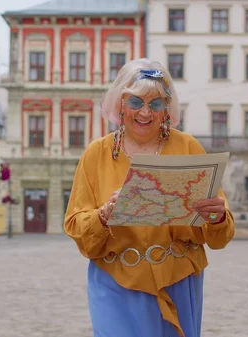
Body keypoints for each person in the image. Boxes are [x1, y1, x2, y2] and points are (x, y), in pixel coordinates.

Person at [63, 58, 235, 337]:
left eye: (155, 104)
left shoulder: (187, 146)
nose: (145, 112)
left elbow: (219, 234)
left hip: (178, 278)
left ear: (166, 108)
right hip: (115, 282)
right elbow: (75, 224)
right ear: (120, 104)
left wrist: (217, 217)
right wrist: (104, 214)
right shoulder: (97, 153)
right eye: (135, 103)